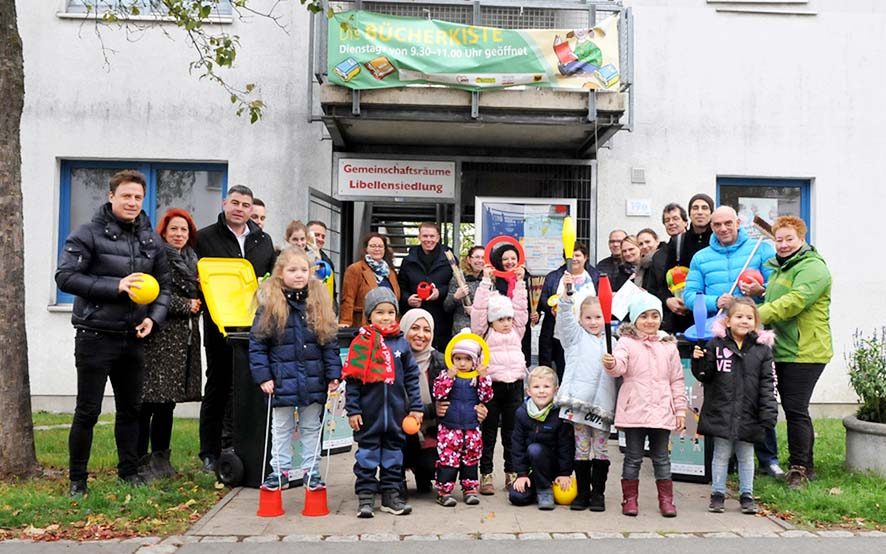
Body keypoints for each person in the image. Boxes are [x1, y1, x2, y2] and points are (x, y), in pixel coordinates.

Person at [55, 169, 171, 496]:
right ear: (111, 197)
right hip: (95, 335)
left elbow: (164, 287)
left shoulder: (151, 239)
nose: (133, 202)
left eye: (138, 197)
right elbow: (65, 278)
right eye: (126, 196)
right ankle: (77, 481)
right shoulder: (87, 234)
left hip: (134, 337)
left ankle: (129, 473)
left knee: (131, 410)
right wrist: (115, 286)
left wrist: (155, 319)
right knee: (88, 411)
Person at [682, 206, 781, 478]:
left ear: (738, 222)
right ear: (711, 227)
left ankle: (767, 457)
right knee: (722, 396)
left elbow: (776, 286)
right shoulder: (702, 257)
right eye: (717, 225)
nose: (723, 229)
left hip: (751, 335)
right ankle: (728, 461)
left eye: (728, 223)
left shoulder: (761, 250)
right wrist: (715, 302)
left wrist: (761, 291)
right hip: (721, 335)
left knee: (757, 394)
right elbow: (690, 294)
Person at [195, 185, 275, 473]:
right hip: (219, 325)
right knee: (218, 385)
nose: (240, 209)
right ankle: (209, 451)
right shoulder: (204, 238)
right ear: (225, 203)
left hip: (254, 327)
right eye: (236, 203)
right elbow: (198, 279)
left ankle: (244, 447)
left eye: (246, 204)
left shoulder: (263, 240)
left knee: (249, 387)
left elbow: (272, 279)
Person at [249, 248, 341, 491]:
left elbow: (329, 342)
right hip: (282, 379)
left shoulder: (318, 303)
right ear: (280, 274)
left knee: (312, 427)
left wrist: (333, 374)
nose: (298, 275)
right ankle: (279, 471)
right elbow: (257, 343)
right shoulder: (270, 305)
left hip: (314, 378)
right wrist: (264, 376)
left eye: (303, 270)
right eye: (292, 270)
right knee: (281, 428)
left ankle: (311, 471)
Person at [758, 216, 832, 489]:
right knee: (789, 407)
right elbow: (777, 296)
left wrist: (755, 314)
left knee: (795, 409)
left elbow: (794, 302)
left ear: (802, 239)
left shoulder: (813, 268)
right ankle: (806, 465)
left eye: (790, 239)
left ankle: (799, 469)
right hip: (783, 347)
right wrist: (761, 292)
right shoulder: (782, 267)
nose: (784, 244)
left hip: (806, 350)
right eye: (779, 240)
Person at [603, 293, 687, 517]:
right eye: (644, 316)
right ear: (634, 319)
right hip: (635, 409)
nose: (649, 321)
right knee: (633, 457)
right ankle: (629, 500)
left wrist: (679, 410)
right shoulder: (626, 342)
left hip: (661, 409)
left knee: (661, 458)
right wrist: (612, 364)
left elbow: (677, 380)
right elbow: (619, 366)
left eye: (654, 316)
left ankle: (666, 500)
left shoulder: (669, 346)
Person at [692, 297, 777, 514]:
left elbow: (768, 383)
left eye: (749, 317)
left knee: (746, 456)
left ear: (756, 322)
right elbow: (705, 374)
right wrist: (698, 360)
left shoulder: (762, 350)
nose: (744, 321)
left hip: (749, 413)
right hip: (721, 410)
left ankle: (746, 495)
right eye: (739, 316)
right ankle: (718, 494)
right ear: (728, 321)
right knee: (720, 454)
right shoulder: (715, 345)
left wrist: (768, 411)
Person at [343, 287, 423, 518]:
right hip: (369, 415)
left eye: (390, 312)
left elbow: (411, 379)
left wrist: (416, 407)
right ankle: (366, 498)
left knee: (393, 457)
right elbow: (353, 381)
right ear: (369, 315)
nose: (386, 317)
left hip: (396, 416)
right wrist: (353, 410)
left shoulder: (401, 345)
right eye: (380, 312)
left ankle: (391, 497)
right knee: (366, 458)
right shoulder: (360, 343)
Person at [138, 208, 203, 482]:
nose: (179, 234)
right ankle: (140, 461)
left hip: (183, 339)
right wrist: (185, 304)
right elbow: (151, 294)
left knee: (168, 403)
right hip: (160, 336)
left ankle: (162, 457)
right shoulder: (156, 256)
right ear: (163, 231)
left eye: (184, 230)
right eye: (174, 229)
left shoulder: (193, 260)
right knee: (149, 402)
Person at [399, 309, 490, 496]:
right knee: (399, 436)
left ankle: (424, 476)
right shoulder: (394, 359)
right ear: (404, 329)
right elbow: (391, 403)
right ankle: (395, 478)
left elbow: (464, 394)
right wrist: (431, 409)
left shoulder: (442, 362)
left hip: (435, 429)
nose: (421, 335)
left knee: (438, 462)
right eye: (415, 328)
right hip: (403, 428)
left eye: (426, 330)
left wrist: (480, 408)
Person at [555, 279, 615, 511]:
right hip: (578, 403)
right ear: (581, 319)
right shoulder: (575, 338)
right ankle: (582, 493)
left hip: (602, 405)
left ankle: (598, 494)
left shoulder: (614, 341)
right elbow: (564, 320)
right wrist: (566, 296)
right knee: (581, 448)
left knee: (600, 449)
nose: (593, 322)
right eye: (588, 317)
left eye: (598, 317)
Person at [471, 264, 529, 495]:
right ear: (491, 320)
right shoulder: (484, 332)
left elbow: (521, 308)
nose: (506, 322)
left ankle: (511, 471)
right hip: (491, 386)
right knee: (488, 434)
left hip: (514, 385)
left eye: (508, 318)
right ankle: (485, 473)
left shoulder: (517, 330)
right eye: (500, 319)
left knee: (511, 433)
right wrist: (485, 282)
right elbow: (478, 310)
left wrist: (521, 282)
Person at [432, 333, 494, 507]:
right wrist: (448, 377)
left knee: (471, 458)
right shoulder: (446, 375)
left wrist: (484, 378)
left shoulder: (476, 379)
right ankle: (444, 491)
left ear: (474, 361)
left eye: (467, 359)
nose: (462, 363)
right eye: (458, 358)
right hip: (450, 428)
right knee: (448, 459)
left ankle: (470, 489)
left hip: (471, 427)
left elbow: (486, 397)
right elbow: (438, 393)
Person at [509, 366, 575, 510]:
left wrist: (564, 473)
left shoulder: (560, 414)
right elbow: (517, 445)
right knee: (517, 497)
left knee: (535, 449)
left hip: (554, 467)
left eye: (546, 386)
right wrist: (522, 474)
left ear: (555, 390)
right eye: (536, 387)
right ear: (528, 390)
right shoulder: (522, 413)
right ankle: (538, 487)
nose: (541, 391)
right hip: (533, 468)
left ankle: (545, 489)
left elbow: (567, 446)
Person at [538, 243, 600, 377]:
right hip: (560, 335)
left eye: (578, 255)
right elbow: (544, 299)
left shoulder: (595, 276)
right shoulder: (554, 277)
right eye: (570, 256)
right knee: (564, 371)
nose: (574, 259)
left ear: (586, 257)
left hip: (587, 333)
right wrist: (551, 309)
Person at [398, 222, 454, 351]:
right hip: (415, 318)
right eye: (425, 236)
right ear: (419, 237)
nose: (428, 240)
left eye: (432, 236)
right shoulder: (408, 260)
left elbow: (455, 286)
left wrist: (439, 292)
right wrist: (408, 299)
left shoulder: (449, 259)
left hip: (441, 318)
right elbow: (400, 287)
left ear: (438, 238)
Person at [339, 232, 400, 327]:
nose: (377, 249)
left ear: (385, 249)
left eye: (380, 246)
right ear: (366, 249)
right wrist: (345, 322)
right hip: (362, 325)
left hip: (387, 326)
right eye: (373, 246)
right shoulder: (355, 269)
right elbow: (348, 299)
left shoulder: (390, 272)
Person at [490, 242, 535, 367]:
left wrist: (535, 315)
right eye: (505, 259)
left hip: (521, 329)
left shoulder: (527, 279)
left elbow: (535, 302)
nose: (510, 262)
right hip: (499, 330)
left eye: (513, 258)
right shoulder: (494, 280)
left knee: (520, 364)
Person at [653, 203, 690, 333]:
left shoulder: (697, 248)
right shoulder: (658, 256)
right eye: (667, 220)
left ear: (686, 222)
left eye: (675, 218)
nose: (671, 223)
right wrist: (667, 300)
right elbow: (653, 288)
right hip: (669, 320)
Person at [443, 246, 485, 335]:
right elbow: (447, 307)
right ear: (469, 259)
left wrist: (476, 311)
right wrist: (456, 297)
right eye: (477, 257)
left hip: (484, 330)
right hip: (463, 330)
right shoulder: (459, 277)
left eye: (483, 258)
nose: (480, 261)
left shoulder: (489, 280)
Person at [307, 220, 337, 310]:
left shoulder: (327, 261)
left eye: (323, 236)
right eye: (316, 235)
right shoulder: (294, 256)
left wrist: (333, 310)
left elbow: (332, 290)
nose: (320, 239)